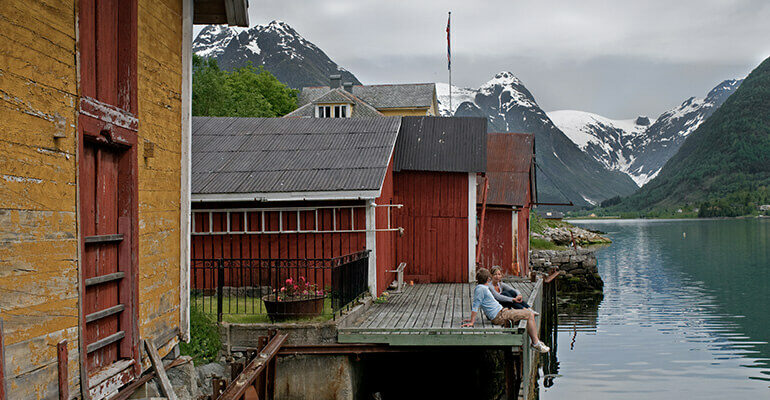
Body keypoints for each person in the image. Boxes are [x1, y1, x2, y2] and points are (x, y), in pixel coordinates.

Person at [462, 268, 549, 353]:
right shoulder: (481, 289)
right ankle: (535, 343)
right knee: (529, 315)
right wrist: (472, 322)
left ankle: (536, 340)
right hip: (499, 316)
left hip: (501, 312)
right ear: (488, 279)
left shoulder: (482, 288)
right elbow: (475, 305)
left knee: (527, 315)